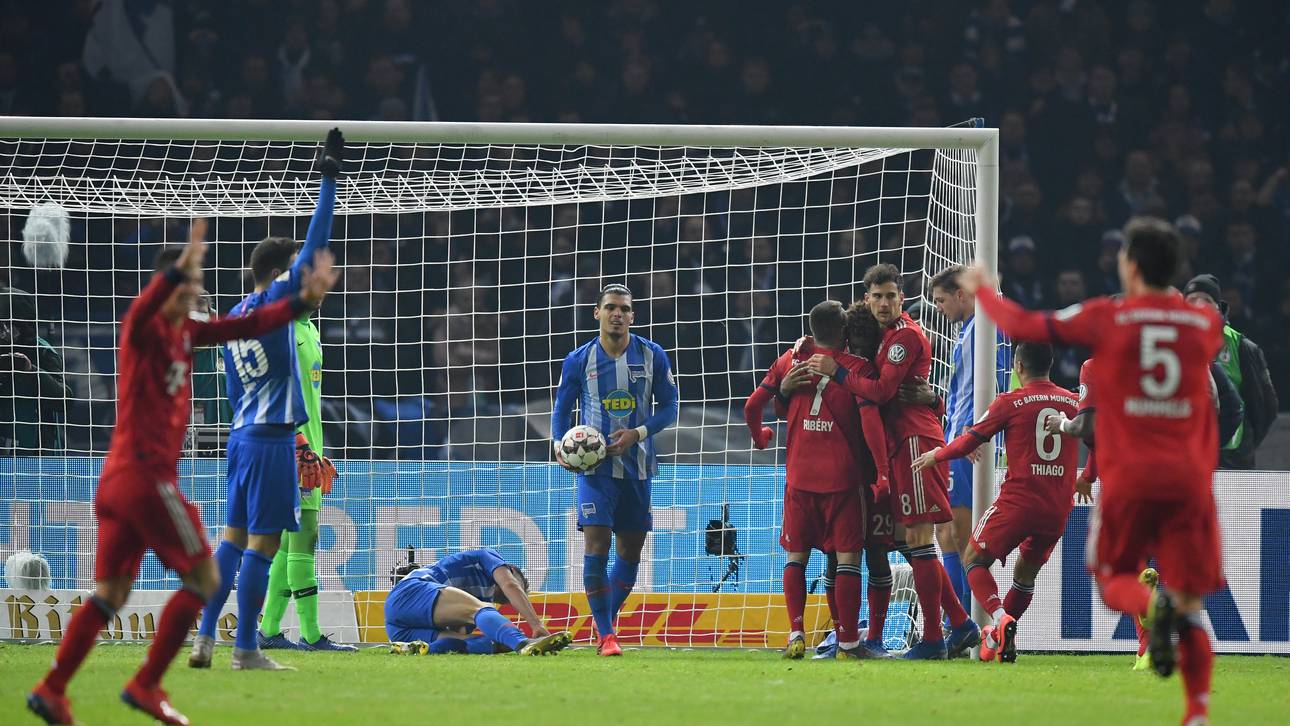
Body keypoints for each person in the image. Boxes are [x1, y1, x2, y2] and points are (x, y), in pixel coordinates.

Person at [25, 234, 336, 726]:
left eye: (197, 287)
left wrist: (300, 301)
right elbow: (151, 302)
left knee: (110, 595)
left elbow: (248, 324)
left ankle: (51, 688)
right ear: (167, 287)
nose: (196, 295)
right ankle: (147, 684)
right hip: (146, 480)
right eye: (189, 287)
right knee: (205, 577)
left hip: (117, 481)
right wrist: (177, 269)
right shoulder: (142, 326)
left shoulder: (185, 335)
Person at [961, 217, 1224, 725]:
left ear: (1131, 266)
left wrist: (985, 290)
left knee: (1115, 579)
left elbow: (1028, 326)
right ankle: (1196, 711)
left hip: (1133, 474)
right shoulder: (1205, 326)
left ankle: (1151, 605)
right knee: (1190, 604)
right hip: (1189, 477)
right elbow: (1208, 394)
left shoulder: (1111, 317)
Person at [191, 129, 344, 671]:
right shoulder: (276, 302)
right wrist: (328, 179)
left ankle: (205, 637)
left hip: (240, 438)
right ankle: (247, 649)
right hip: (274, 442)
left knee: (231, 542)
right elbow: (317, 242)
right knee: (264, 547)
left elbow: (233, 390)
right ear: (280, 276)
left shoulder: (233, 317)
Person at [805, 264, 979, 660]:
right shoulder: (881, 336)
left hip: (916, 442)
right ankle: (959, 624)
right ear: (866, 299)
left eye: (890, 296)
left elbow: (883, 391)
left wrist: (837, 372)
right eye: (877, 296)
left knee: (918, 540)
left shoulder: (903, 336)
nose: (884, 303)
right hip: (900, 444)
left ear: (902, 297)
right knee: (905, 541)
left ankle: (933, 639)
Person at [912, 342, 1080, 664]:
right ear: (1050, 365)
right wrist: (1088, 477)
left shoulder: (1011, 401)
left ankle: (1000, 618)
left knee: (973, 558)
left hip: (1019, 502)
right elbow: (1097, 437)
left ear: (1018, 366)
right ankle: (998, 637)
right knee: (1025, 575)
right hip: (1057, 507)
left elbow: (970, 441)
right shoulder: (1073, 402)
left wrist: (938, 454)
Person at [743, 300, 889, 660]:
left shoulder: (791, 360)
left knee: (797, 556)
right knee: (849, 560)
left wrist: (760, 435)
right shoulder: (857, 369)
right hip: (843, 480)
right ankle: (848, 643)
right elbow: (871, 423)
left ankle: (796, 632)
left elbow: (751, 406)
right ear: (843, 331)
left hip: (799, 478)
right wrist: (883, 471)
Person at [551, 283, 679, 656]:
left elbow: (671, 406)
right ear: (598, 313)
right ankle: (608, 635)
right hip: (595, 469)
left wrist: (638, 433)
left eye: (624, 308)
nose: (617, 314)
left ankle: (602, 621)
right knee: (597, 545)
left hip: (638, 468)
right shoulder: (579, 359)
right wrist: (559, 445)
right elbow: (562, 408)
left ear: (632, 316)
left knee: (630, 551)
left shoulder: (652, 355)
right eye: (610, 307)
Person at [257, 251, 350, 653]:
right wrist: (299, 445)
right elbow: (275, 393)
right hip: (290, 450)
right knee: (305, 537)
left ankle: (269, 630)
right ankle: (311, 635)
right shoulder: (282, 331)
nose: (321, 288)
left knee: (287, 542)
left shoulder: (309, 329)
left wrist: (314, 446)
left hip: (306, 447)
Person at [927, 264, 1013, 616]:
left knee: (962, 535)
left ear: (961, 295)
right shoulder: (968, 329)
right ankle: (958, 620)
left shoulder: (987, 326)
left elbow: (999, 380)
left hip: (969, 441)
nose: (938, 308)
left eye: (941, 300)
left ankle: (966, 622)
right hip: (956, 438)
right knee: (945, 532)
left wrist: (979, 429)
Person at [384, 548, 571, 656]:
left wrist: (503, 643)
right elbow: (510, 584)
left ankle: (415, 648)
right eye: (521, 590)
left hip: (399, 630)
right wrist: (536, 625)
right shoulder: (487, 556)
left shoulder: (475, 602)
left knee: (476, 643)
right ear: (510, 570)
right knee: (483, 611)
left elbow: (460, 636)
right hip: (410, 591)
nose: (512, 599)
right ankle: (524, 644)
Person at [1181, 274, 1278, 469]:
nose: (1198, 305)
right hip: (1187, 458)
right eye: (1192, 300)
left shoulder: (1242, 347)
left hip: (1233, 461)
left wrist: (1245, 444)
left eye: (1206, 300)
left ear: (1218, 307)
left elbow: (1266, 406)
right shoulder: (1172, 342)